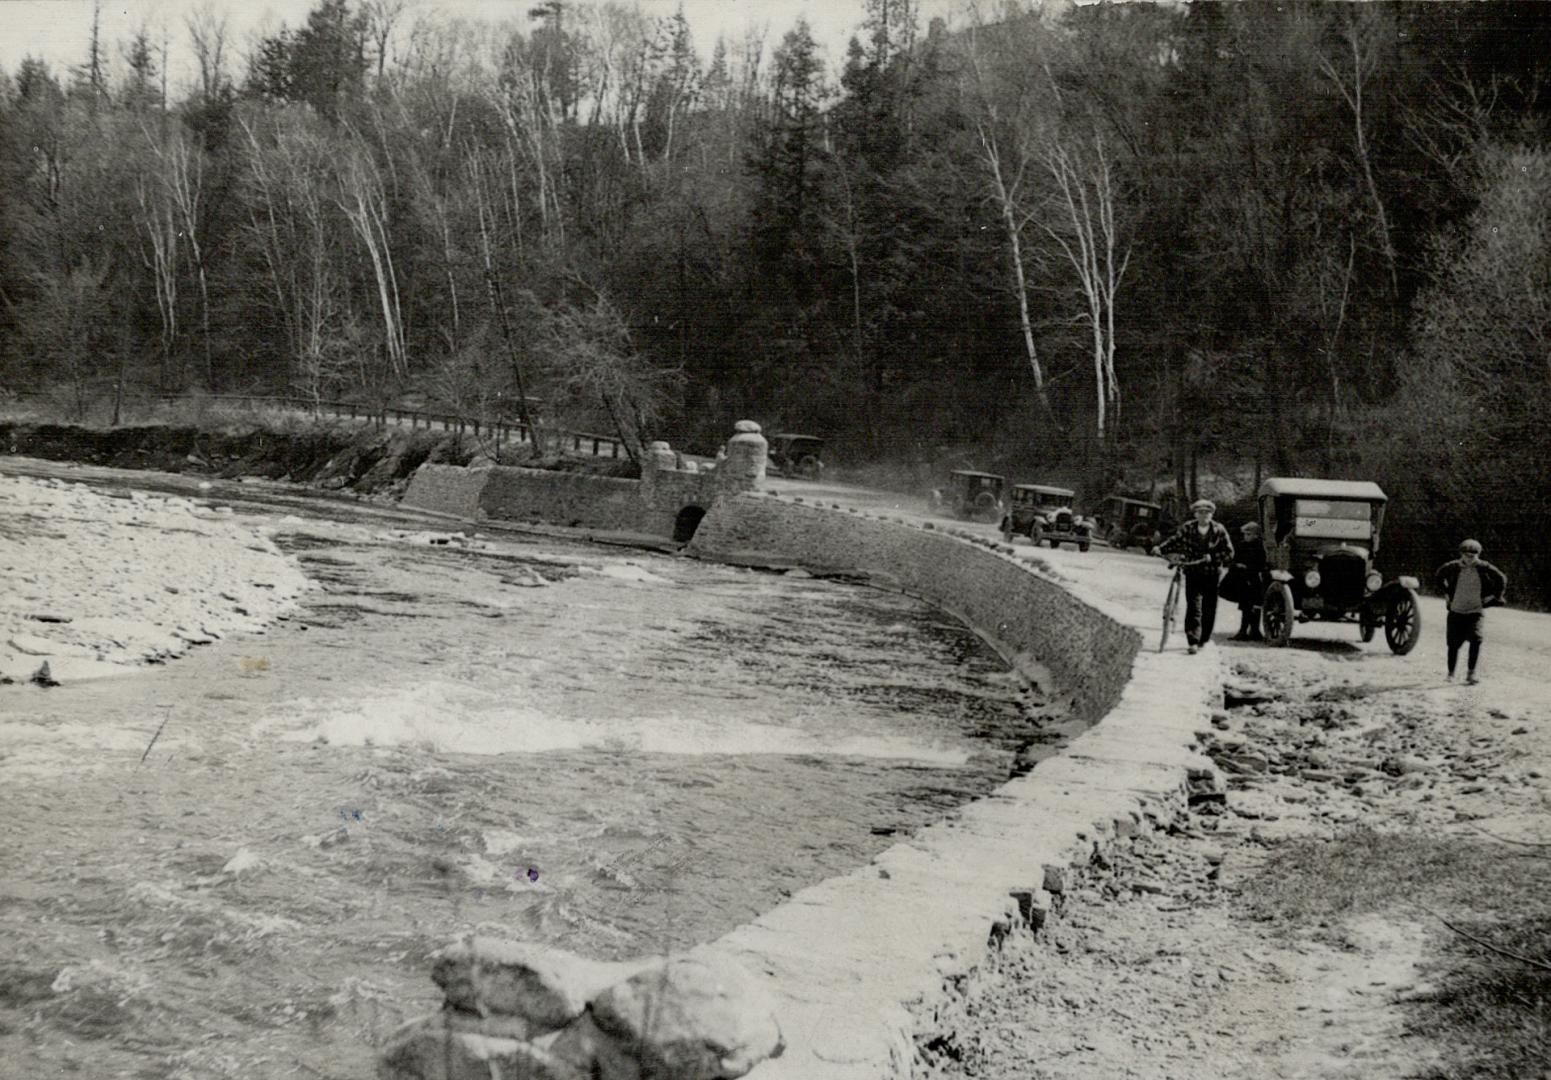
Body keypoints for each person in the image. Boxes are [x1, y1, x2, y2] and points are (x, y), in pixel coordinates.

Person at [1153, 498, 1235, 654]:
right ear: (1196, 514)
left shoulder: (1219, 529)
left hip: (1212, 573)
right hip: (1193, 571)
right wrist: (1160, 549)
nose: (1204, 516)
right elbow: (1175, 541)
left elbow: (1229, 553)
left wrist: (1214, 557)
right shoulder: (1188, 528)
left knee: (1209, 607)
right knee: (1193, 606)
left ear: (1211, 515)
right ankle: (1193, 641)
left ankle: (1204, 638)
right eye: (1200, 512)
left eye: (1207, 513)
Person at [1435, 539, 1507, 685]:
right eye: (1466, 555)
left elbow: (1501, 579)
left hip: (1475, 611)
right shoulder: (1453, 567)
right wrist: (1446, 594)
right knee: (1453, 644)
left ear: (1478, 555)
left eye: (1473, 556)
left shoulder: (1484, 567)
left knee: (1476, 639)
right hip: (1456, 610)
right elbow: (1439, 576)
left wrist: (1494, 596)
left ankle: (1471, 674)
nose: (1469, 559)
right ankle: (1451, 674)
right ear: (1461, 554)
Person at [1230, 521, 1269, 641]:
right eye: (1245, 534)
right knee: (1245, 606)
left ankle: (1254, 631)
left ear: (1256, 535)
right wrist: (1237, 565)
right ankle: (1243, 630)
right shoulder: (1241, 545)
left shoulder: (1260, 547)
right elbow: (1233, 560)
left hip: (1255, 579)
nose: (1245, 536)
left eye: (1248, 534)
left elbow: (1262, 564)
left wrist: (1248, 567)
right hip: (1243, 579)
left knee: (1256, 606)